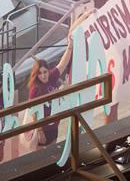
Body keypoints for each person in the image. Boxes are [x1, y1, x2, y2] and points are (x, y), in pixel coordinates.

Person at [26, 9, 93, 146]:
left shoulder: (52, 76)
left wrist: (70, 46)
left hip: (54, 125)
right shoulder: (35, 89)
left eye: (45, 72)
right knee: (41, 157)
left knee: (53, 154)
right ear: (36, 74)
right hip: (43, 128)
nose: (44, 75)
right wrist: (39, 131)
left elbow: (63, 63)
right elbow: (33, 111)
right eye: (40, 73)